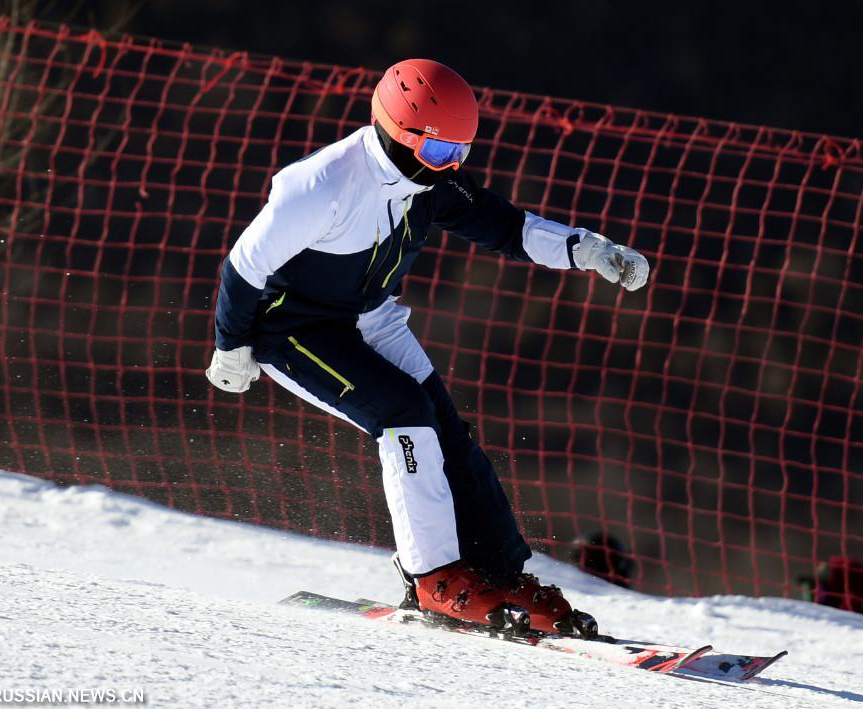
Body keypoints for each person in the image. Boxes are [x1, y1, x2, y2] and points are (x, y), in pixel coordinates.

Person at [206, 58, 650, 634]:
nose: (449, 168)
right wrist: (229, 345)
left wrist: (583, 248)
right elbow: (244, 266)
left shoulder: (429, 180)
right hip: (293, 328)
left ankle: (498, 572)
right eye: (441, 153)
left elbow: (503, 225)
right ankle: (435, 577)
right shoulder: (321, 186)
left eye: (461, 153)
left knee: (444, 428)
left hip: (370, 318)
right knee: (402, 414)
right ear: (397, 132)